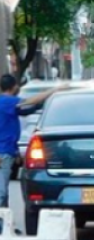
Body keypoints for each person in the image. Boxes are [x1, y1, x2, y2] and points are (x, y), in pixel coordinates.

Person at [0, 77, 57, 208]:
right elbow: (30, 102)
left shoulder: (6, 105)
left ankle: (4, 224)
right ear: (14, 87)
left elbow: (27, 110)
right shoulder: (8, 101)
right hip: (2, 154)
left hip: (7, 151)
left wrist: (16, 153)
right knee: (1, 192)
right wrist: (53, 91)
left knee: (4, 191)